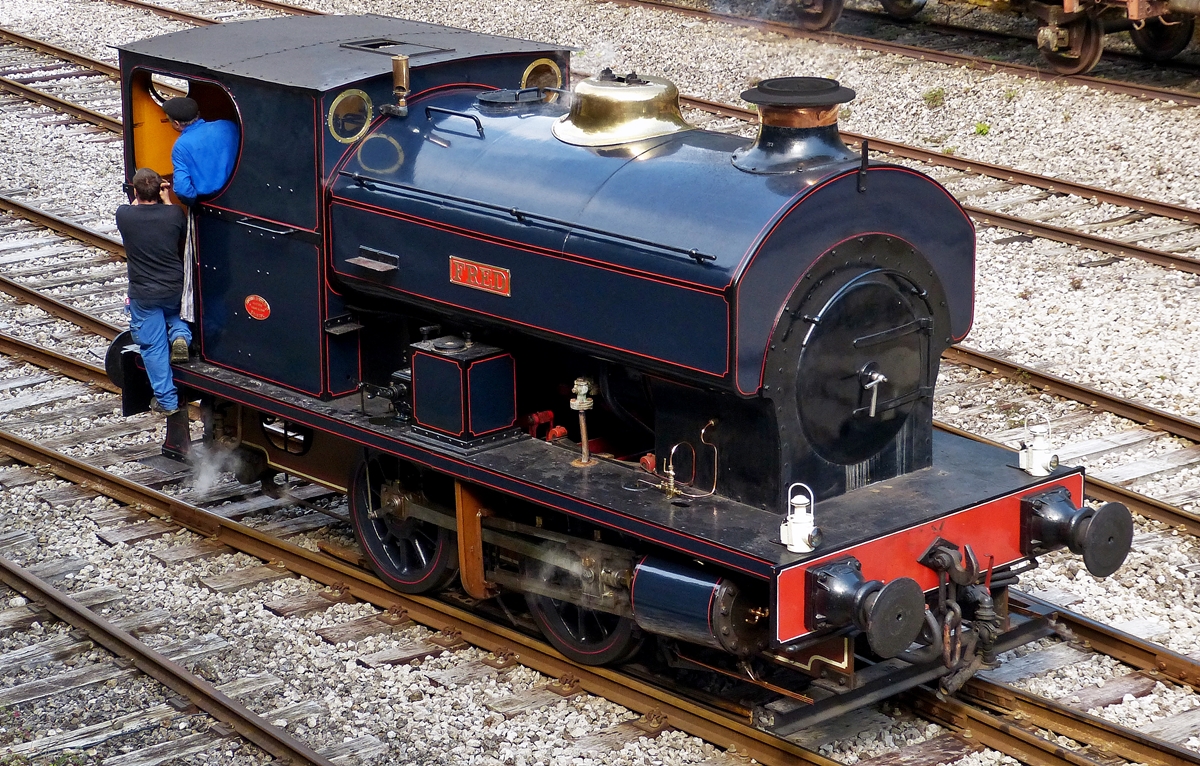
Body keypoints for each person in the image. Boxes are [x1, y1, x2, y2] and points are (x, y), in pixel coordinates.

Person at [115, 168, 191, 416]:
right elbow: (181, 232)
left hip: (144, 294)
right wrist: (167, 198)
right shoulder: (173, 214)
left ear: (135, 192)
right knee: (174, 314)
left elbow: (135, 205)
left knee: (153, 347)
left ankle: (168, 403)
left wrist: (147, 192)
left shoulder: (124, 215)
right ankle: (181, 335)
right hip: (173, 289)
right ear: (159, 190)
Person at [162, 97, 239, 206]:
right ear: (197, 114)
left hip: (211, 203)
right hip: (240, 194)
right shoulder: (227, 126)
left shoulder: (180, 146)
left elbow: (183, 190)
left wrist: (196, 204)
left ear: (176, 124)